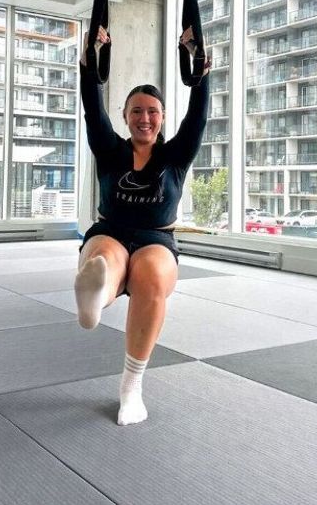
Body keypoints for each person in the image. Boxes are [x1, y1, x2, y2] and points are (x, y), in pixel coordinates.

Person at [74, 25, 210, 425]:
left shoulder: (176, 154)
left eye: (152, 111)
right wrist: (90, 60)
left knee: (149, 276)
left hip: (156, 239)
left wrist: (200, 70)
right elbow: (91, 108)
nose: (144, 118)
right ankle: (95, 295)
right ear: (125, 116)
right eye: (136, 111)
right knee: (105, 259)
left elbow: (198, 118)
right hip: (110, 231)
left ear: (163, 117)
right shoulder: (109, 148)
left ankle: (131, 389)